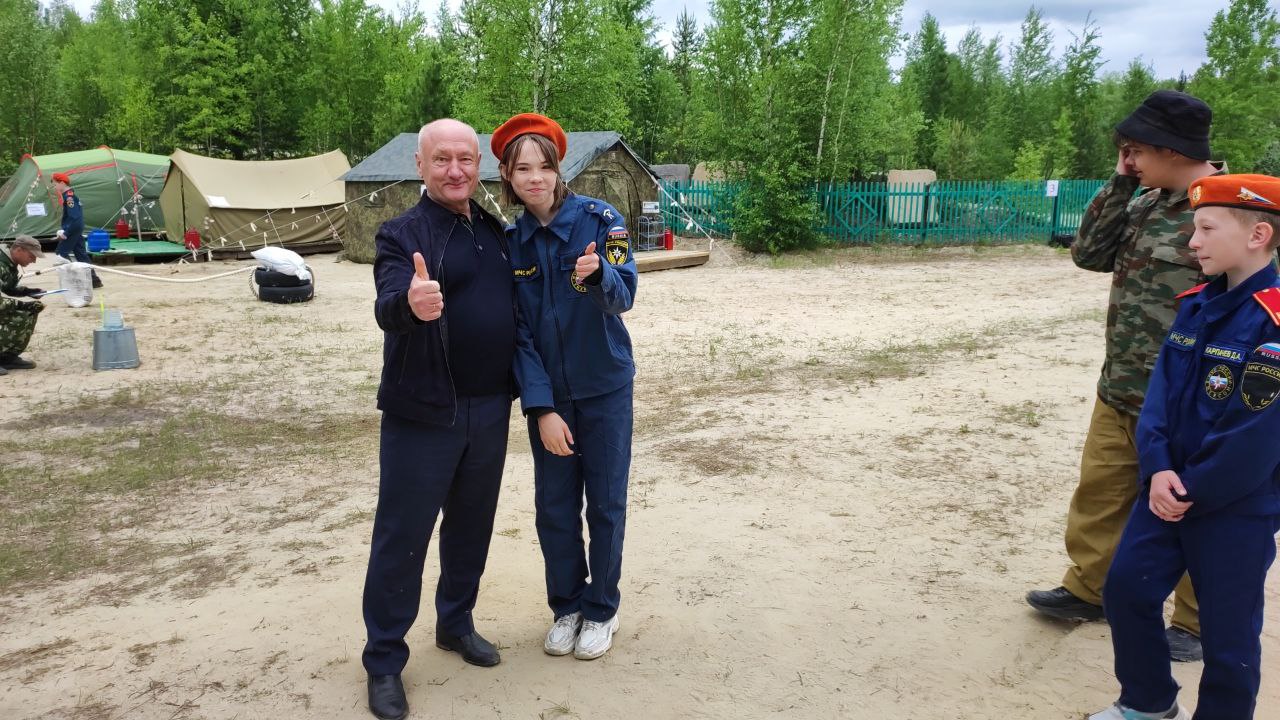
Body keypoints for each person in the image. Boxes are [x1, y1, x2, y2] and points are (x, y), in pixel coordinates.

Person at [1027, 90, 1223, 662]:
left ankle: (1196, 622)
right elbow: (1088, 254)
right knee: (1101, 492)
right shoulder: (1145, 202)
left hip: (1188, 397)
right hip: (1121, 386)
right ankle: (1091, 590)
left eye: (1135, 150)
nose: (1129, 159)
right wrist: (1119, 183)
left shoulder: (1229, 210)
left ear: (1171, 148)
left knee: (1192, 506)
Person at [1088, 173, 1280, 720]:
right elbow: (1160, 398)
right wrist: (1156, 468)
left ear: (1258, 235)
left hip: (1233, 506)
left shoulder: (1271, 322)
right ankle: (1147, 702)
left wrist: (1191, 487)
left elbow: (1256, 434)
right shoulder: (1195, 305)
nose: (1192, 242)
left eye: (1206, 229)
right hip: (1165, 488)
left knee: (1227, 633)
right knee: (1126, 589)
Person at [362, 118, 516, 720]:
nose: (456, 170)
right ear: (420, 166)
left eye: (466, 159)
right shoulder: (401, 233)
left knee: (471, 527)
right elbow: (388, 301)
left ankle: (455, 623)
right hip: (423, 411)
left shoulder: (496, 230)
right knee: (403, 536)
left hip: (489, 407)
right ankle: (383, 660)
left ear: (479, 165)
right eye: (442, 159)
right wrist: (410, 303)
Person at [495, 113, 638, 661]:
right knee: (554, 509)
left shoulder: (604, 221)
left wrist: (599, 275)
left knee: (605, 504)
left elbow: (624, 296)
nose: (535, 178)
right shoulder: (511, 244)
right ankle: (568, 606)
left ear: (560, 170)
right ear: (507, 177)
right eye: (522, 169)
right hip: (552, 401)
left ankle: (601, 609)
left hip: (605, 388)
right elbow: (517, 334)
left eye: (544, 167)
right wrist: (541, 407)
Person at [0, 235, 46, 375]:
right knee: (24, 309)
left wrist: (27, 291)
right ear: (19, 250)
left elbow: (7, 287)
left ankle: (6, 358)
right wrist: (22, 305)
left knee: (27, 314)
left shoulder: (8, 262)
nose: (34, 260)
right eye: (31, 256)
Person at [50, 172, 102, 288]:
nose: (54, 187)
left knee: (60, 255)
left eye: (55, 184)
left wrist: (66, 233)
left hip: (73, 229)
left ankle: (72, 280)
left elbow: (75, 218)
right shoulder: (69, 196)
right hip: (75, 229)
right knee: (81, 255)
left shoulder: (69, 198)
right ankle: (94, 280)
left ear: (62, 183)